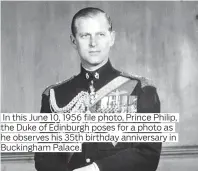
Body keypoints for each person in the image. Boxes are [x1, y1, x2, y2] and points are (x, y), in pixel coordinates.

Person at [34, 7, 161, 171]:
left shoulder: (140, 90)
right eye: (85, 35)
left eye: (100, 34)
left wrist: (94, 169)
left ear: (112, 38)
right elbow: (44, 159)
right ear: (74, 41)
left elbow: (147, 155)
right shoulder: (54, 96)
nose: (93, 43)